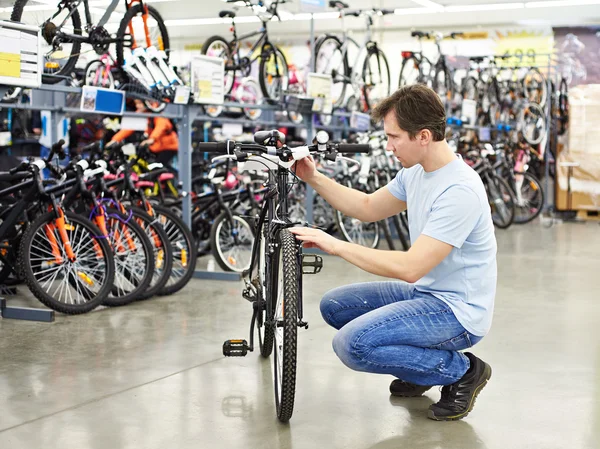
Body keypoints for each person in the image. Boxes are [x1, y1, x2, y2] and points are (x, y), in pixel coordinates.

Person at [290, 84, 497, 422]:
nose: (388, 146)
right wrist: (314, 178)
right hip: (426, 293)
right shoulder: (415, 172)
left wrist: (336, 245)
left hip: (457, 312)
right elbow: (368, 207)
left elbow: (411, 267)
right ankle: (421, 371)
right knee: (335, 305)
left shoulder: (459, 190)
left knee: (352, 344)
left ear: (424, 136)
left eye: (394, 137)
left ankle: (461, 371)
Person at [110, 99, 179, 172]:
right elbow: (129, 128)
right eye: (136, 104)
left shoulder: (156, 113)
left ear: (147, 103)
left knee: (157, 167)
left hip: (167, 146)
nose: (137, 106)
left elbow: (161, 126)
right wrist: (115, 140)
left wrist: (152, 139)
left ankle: (170, 179)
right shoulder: (142, 113)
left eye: (139, 103)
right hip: (154, 147)